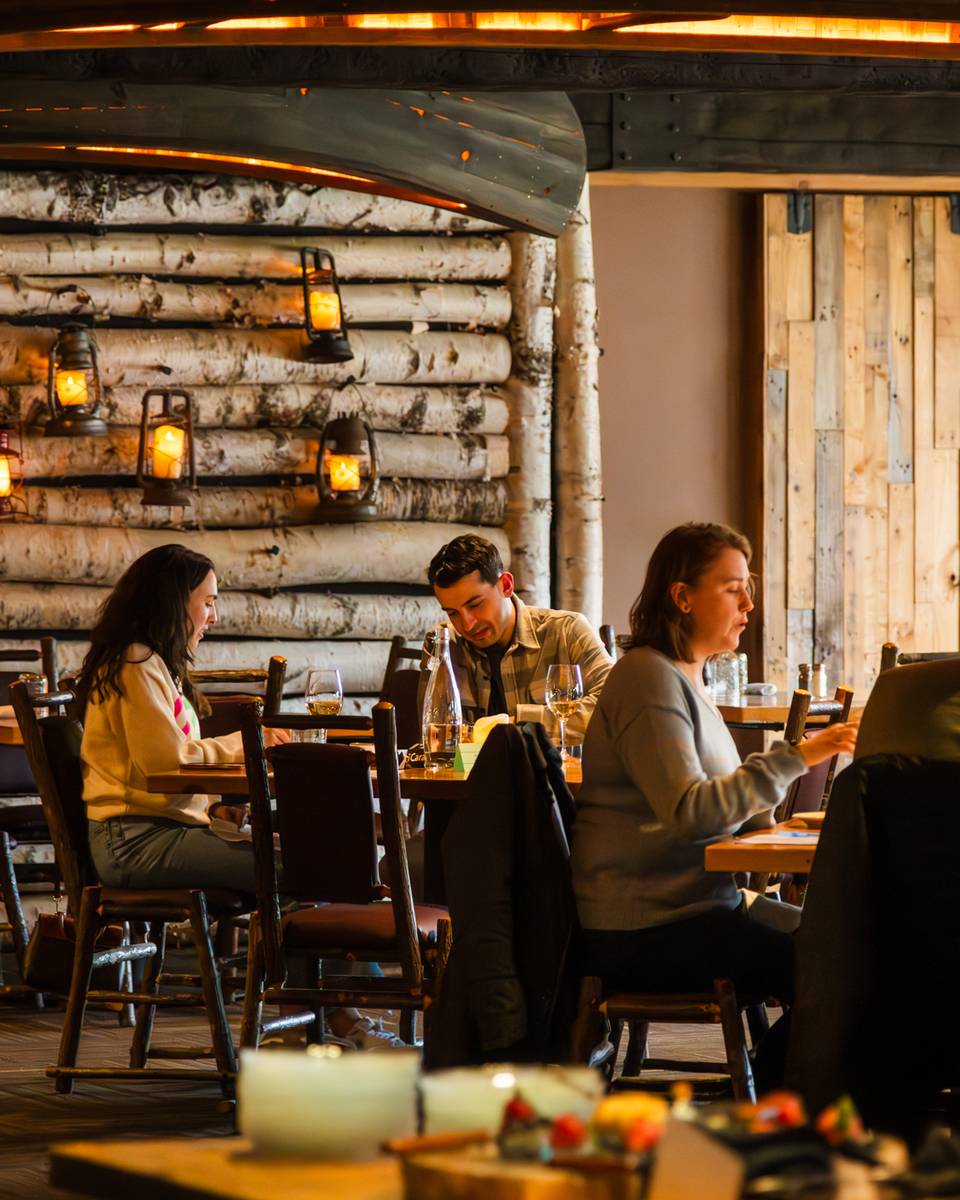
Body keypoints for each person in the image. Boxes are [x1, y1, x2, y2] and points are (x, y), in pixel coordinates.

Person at [78, 543, 401, 1050]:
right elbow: (163, 763)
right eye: (206, 601)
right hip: (134, 842)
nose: (213, 614)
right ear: (173, 601)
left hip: (157, 830)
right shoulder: (135, 665)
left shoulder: (151, 662)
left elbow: (156, 768)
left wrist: (212, 805)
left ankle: (321, 1021)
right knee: (300, 869)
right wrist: (248, 743)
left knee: (307, 862)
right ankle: (325, 1021)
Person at [571, 522, 858, 1085]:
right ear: (682, 596)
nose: (749, 603)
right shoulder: (646, 678)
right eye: (732, 587)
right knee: (845, 972)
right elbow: (692, 813)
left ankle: (783, 1095)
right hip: (647, 928)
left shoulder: (686, 677)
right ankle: (779, 1106)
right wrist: (800, 755)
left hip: (701, 907)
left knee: (850, 946)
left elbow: (734, 817)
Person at [422, 534, 612, 741]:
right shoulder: (443, 644)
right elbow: (435, 733)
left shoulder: (567, 631)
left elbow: (615, 710)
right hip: (474, 774)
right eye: (453, 613)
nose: (467, 624)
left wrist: (518, 724)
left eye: (475, 605)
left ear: (506, 585)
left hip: (554, 773)